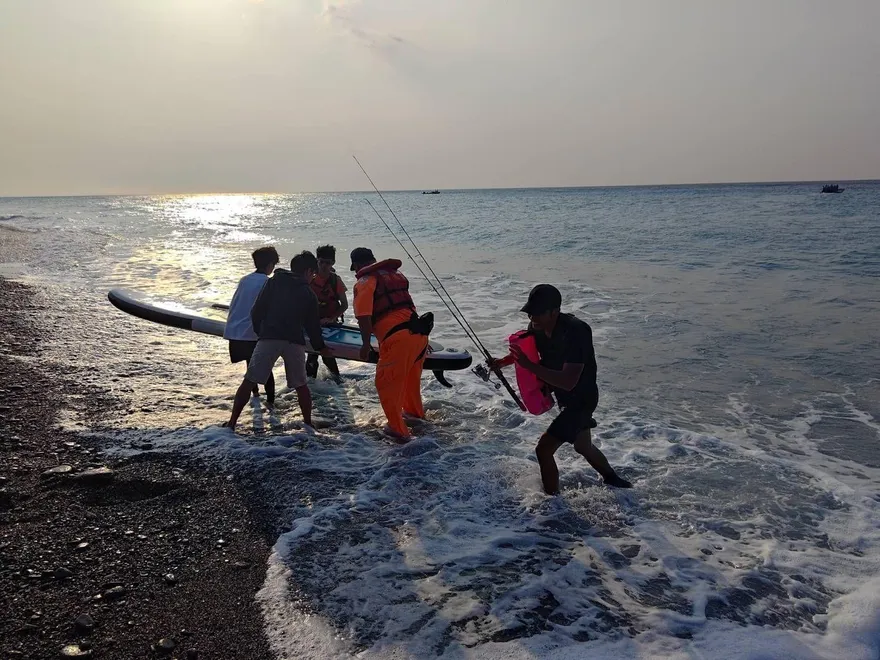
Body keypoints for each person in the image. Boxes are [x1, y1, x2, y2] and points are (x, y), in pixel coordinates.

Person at [491, 284, 632, 494]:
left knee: (543, 450)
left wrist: (530, 367)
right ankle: (614, 479)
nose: (532, 319)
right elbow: (525, 354)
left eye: (538, 313)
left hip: (582, 399)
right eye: (530, 313)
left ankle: (552, 503)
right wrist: (501, 362)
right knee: (582, 446)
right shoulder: (536, 328)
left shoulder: (577, 331)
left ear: (555, 311)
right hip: (565, 398)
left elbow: (568, 381)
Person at [224, 251, 331, 431]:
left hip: (269, 338)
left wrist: (261, 332)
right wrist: (321, 348)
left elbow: (256, 311)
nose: (313, 277)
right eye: (313, 274)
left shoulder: (273, 283)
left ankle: (232, 423)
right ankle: (308, 423)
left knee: (250, 380)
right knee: (301, 385)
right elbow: (313, 327)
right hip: (294, 341)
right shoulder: (308, 293)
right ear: (308, 271)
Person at [350, 247, 430, 440]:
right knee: (410, 384)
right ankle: (416, 419)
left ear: (358, 265)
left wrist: (365, 345)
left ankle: (399, 433)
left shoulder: (365, 281)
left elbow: (363, 316)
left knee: (386, 385)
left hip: (397, 339)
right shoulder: (394, 275)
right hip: (419, 335)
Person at [223, 246, 279, 407]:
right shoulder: (268, 282)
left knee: (251, 366)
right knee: (266, 368)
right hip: (252, 332)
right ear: (270, 264)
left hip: (235, 332)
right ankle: (271, 403)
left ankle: (255, 398)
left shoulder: (244, 280)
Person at [306, 244, 348, 380]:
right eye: (321, 262)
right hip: (311, 324)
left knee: (328, 356)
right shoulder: (308, 279)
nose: (324, 266)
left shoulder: (336, 281)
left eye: (328, 263)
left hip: (330, 325)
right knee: (312, 356)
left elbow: (344, 305)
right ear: (316, 261)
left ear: (333, 263)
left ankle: (338, 385)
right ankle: (311, 385)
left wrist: (331, 318)